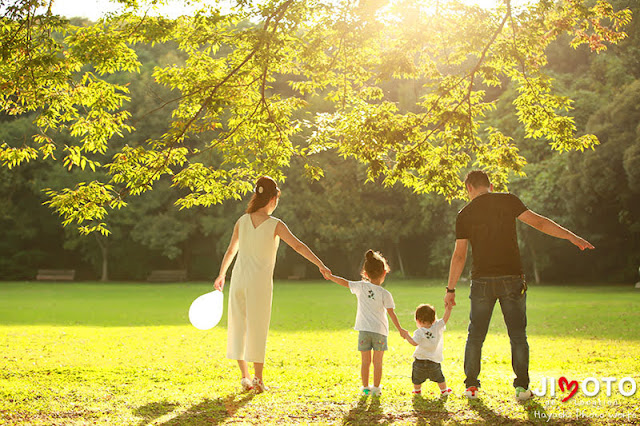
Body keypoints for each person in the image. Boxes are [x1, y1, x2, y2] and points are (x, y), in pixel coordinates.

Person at [444, 170, 594, 401]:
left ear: (469, 188)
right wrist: (572, 237)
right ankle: (522, 388)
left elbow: (459, 256)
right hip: (512, 278)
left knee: (475, 336)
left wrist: (450, 289)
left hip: (482, 281)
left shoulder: (464, 214)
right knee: (517, 335)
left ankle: (471, 387)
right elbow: (540, 223)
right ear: (490, 185)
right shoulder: (508, 200)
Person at [214, 176, 331, 393]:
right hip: (258, 283)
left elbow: (231, 250)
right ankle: (257, 379)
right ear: (273, 198)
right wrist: (320, 264)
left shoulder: (242, 220)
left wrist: (221, 274)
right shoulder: (275, 224)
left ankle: (245, 377)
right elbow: (298, 246)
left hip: (238, 279)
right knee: (257, 326)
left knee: (238, 324)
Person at [325, 250, 410, 396]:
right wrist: (400, 329)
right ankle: (376, 389)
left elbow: (344, 282)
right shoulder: (385, 294)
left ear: (365, 272)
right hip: (380, 332)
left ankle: (365, 388)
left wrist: (330, 276)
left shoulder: (360, 286)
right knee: (378, 363)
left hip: (364, 330)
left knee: (365, 362)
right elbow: (391, 313)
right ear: (384, 272)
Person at [404, 303, 453, 397]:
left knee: (417, 378)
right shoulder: (437, 327)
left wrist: (407, 336)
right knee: (439, 378)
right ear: (434, 319)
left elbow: (414, 343)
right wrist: (448, 309)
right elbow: (445, 319)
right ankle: (444, 391)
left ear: (417, 320)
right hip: (434, 361)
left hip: (419, 361)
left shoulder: (419, 332)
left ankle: (417, 391)